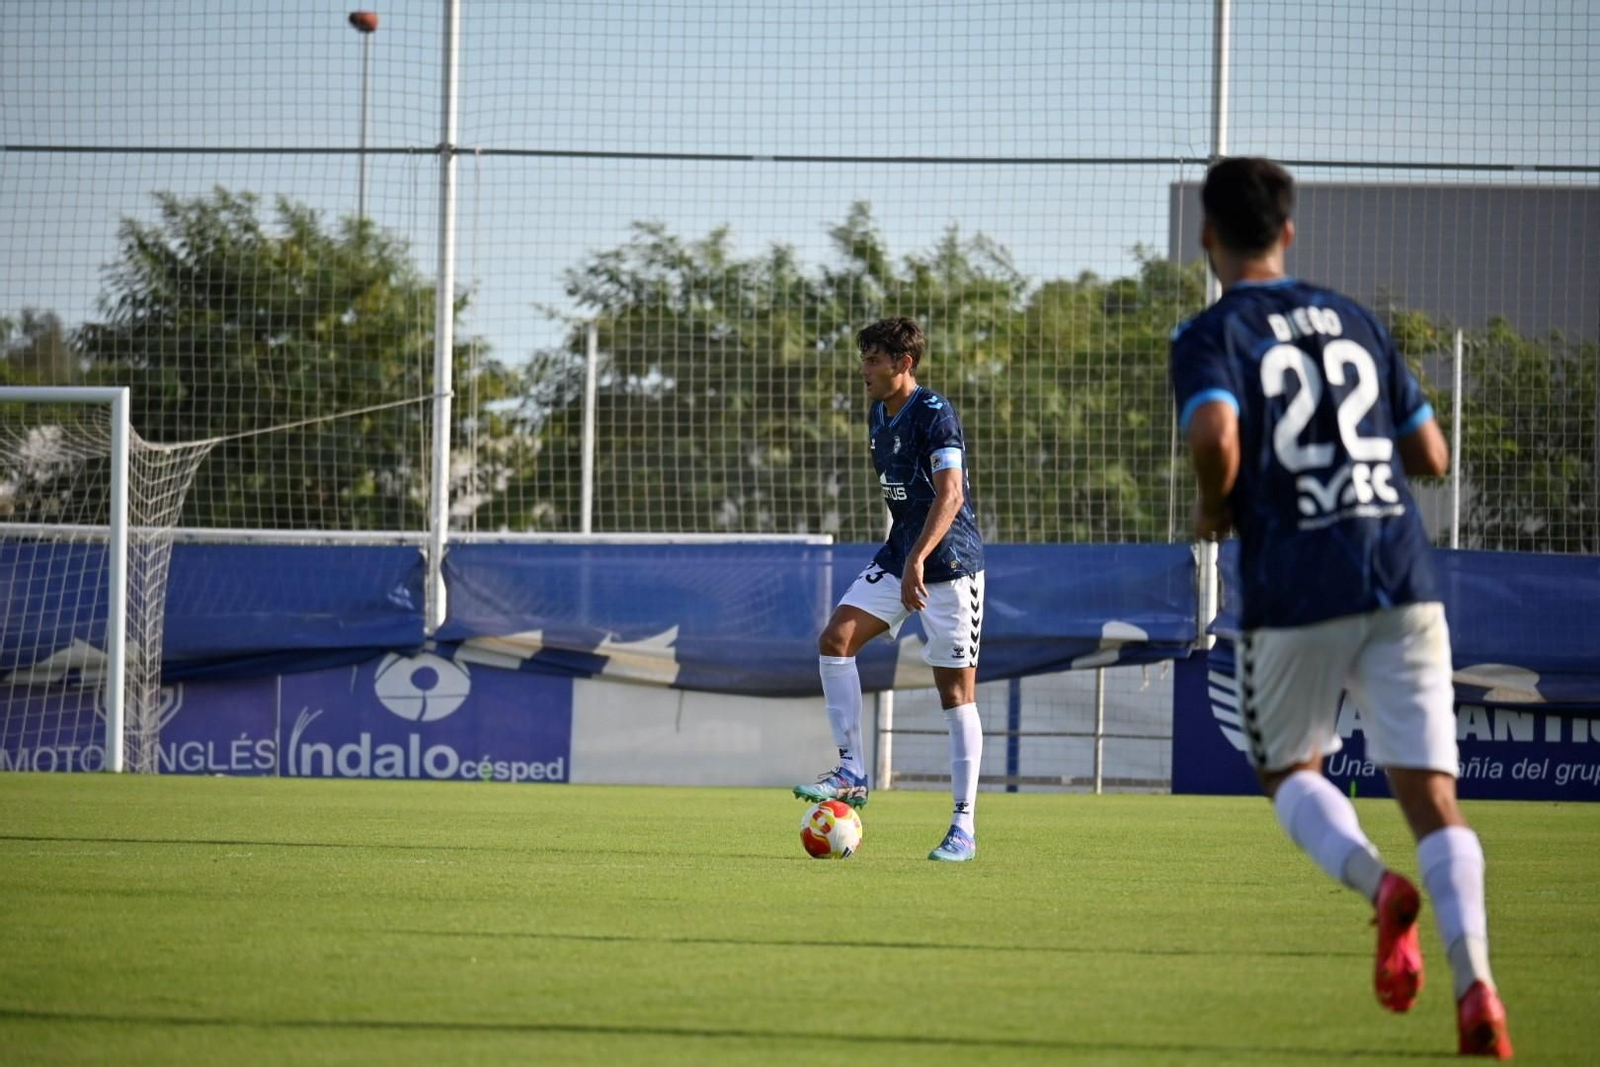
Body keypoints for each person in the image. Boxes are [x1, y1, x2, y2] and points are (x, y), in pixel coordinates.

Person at [1170, 157, 1512, 1058]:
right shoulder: (1356, 320)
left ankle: (1379, 890)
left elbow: (1215, 432)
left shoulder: (1211, 332)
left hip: (1297, 579)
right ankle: (1477, 984)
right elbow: (1433, 453)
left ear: (1208, 237)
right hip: (1401, 572)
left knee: (1289, 772)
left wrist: (1216, 501)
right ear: (1290, 231)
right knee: (1435, 800)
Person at [793, 316, 987, 862]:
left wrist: (920, 559)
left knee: (955, 696)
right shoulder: (878, 414)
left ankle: (963, 829)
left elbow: (950, 496)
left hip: (950, 566)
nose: (864, 370)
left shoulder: (934, 413)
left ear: (904, 364)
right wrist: (905, 558)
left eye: (874, 360)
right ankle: (853, 771)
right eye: (864, 359)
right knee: (836, 640)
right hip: (901, 558)